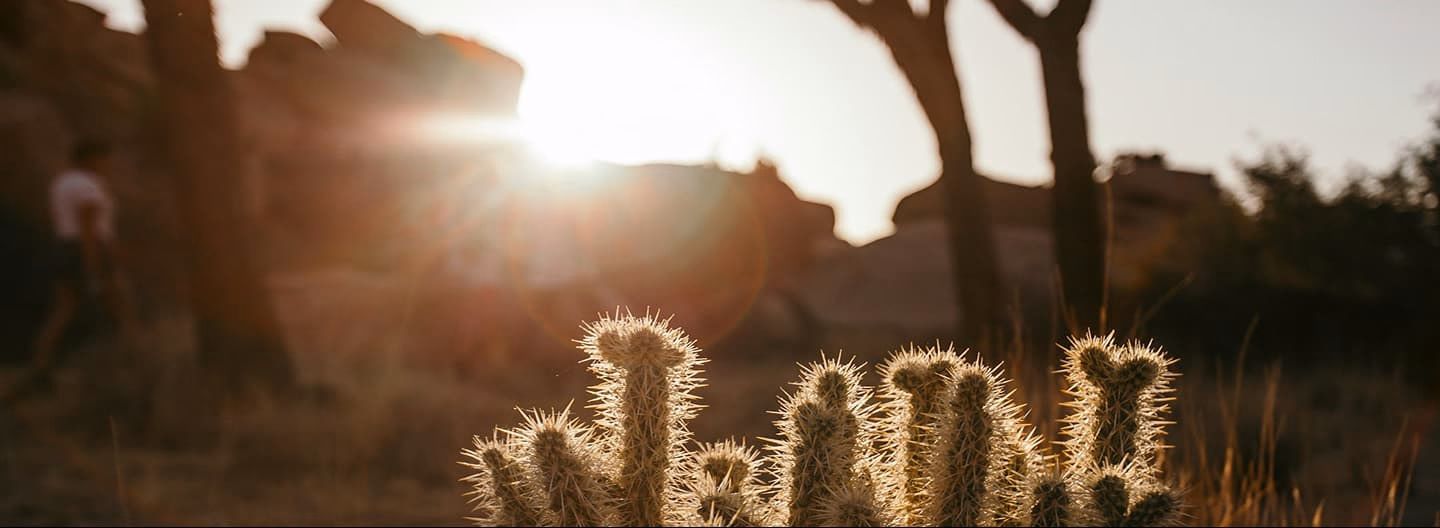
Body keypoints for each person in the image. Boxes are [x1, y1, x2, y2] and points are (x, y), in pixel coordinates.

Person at [5, 139, 141, 400]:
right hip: (86, 252)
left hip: (65, 249)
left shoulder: (62, 183)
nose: (108, 165)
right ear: (91, 159)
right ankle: (138, 363)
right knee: (122, 307)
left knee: (63, 311)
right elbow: (89, 229)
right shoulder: (88, 186)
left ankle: (40, 368)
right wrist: (93, 268)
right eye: (104, 159)